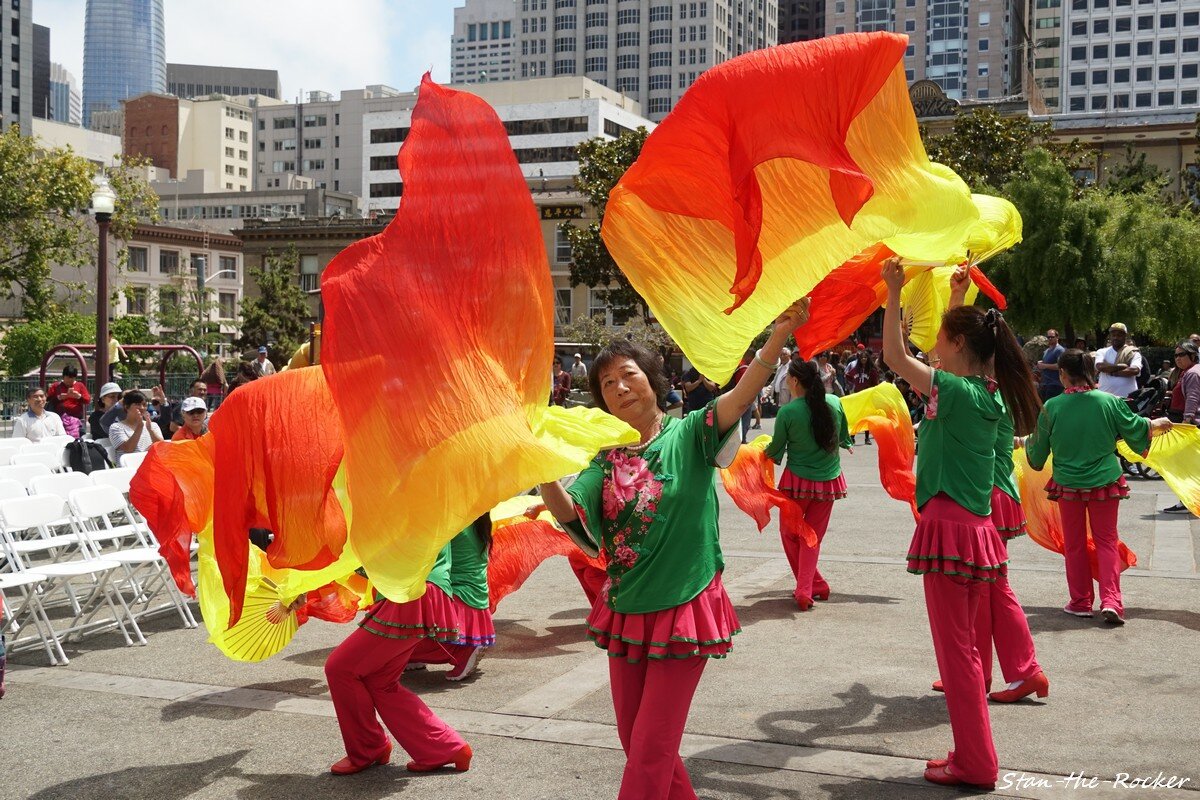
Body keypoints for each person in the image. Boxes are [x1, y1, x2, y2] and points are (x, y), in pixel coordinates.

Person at [537, 299, 808, 800]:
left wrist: (776, 337)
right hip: (628, 608)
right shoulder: (606, 458)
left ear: (652, 379)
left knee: (651, 748)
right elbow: (572, 515)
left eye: (627, 374)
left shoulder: (692, 434)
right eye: (607, 384)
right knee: (636, 742)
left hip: (685, 604)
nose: (619, 388)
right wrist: (539, 468)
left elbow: (743, 392)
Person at [881, 256, 1042, 791]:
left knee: (959, 660)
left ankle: (976, 763)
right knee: (966, 654)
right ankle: (971, 752)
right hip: (974, 532)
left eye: (943, 338)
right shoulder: (987, 393)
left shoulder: (950, 392)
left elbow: (894, 355)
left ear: (955, 346)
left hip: (950, 529)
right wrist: (955, 299)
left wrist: (893, 290)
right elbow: (944, 357)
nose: (936, 346)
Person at [929, 270, 1049, 705]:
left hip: (985, 495)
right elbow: (948, 350)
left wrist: (957, 300)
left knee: (992, 589)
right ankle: (977, 672)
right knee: (984, 588)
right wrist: (957, 296)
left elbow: (945, 357)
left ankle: (1021, 670)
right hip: (994, 491)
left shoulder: (975, 384)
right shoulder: (988, 377)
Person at [1025, 349, 1171, 624]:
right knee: (1106, 541)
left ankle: (1080, 601)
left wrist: (1024, 444)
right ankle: (1112, 601)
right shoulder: (1108, 402)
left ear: (1063, 374)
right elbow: (1135, 428)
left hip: (1068, 484)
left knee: (1075, 544)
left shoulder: (1052, 407)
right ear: (1091, 372)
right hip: (1104, 481)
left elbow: (1037, 454)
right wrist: (1156, 424)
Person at [324, 541, 472, 776]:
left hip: (410, 591)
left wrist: (300, 589)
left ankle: (367, 748)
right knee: (380, 681)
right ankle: (446, 747)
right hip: (414, 589)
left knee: (340, 668)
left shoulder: (408, 504)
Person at [764, 360, 851, 609]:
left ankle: (805, 589)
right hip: (828, 482)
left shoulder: (788, 412)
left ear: (793, 381)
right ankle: (815, 585)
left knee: (789, 534)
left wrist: (756, 452)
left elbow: (776, 449)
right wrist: (845, 443)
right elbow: (844, 435)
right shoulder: (834, 403)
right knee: (812, 538)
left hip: (796, 483)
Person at [408, 515, 495, 681]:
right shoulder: (477, 516)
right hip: (474, 604)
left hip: (456, 603)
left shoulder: (451, 520)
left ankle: (462, 652)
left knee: (389, 638)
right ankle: (414, 657)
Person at [1161, 342, 1199, 514]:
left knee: (1185, 465)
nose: (1177, 358)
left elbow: (1192, 397)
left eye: (1181, 354)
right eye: (1175, 355)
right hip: (1184, 421)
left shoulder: (1192, 373)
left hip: (1187, 423)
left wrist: (1187, 420)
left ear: (1192, 356)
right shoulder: (1188, 372)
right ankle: (1188, 500)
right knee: (1189, 465)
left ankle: (1188, 501)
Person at [107, 390, 164, 465]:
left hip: (150, 467)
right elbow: (128, 449)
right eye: (137, 404)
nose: (142, 408)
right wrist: (140, 427)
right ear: (127, 407)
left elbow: (162, 447)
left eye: (144, 404)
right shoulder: (116, 427)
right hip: (129, 469)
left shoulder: (153, 425)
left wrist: (150, 430)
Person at [1094, 323, 1142, 398]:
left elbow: (1134, 370)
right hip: (1105, 398)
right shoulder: (1102, 352)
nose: (1116, 337)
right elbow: (1100, 366)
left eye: (1119, 335)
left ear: (1125, 337)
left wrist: (1111, 372)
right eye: (1113, 335)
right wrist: (1122, 366)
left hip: (1127, 398)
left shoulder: (1132, 353)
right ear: (1110, 336)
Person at [846, 348, 880, 444]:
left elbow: (875, 382)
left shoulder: (872, 370)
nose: (864, 359)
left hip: (867, 395)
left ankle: (867, 438)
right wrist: (852, 383)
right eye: (862, 357)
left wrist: (872, 391)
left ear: (868, 359)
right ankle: (852, 437)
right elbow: (847, 375)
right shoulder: (856, 369)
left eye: (865, 357)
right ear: (859, 359)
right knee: (856, 416)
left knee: (866, 416)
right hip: (857, 394)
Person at [46, 365, 91, 439]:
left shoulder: (80, 385)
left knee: (80, 438)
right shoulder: (56, 386)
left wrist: (78, 396)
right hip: (60, 419)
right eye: (67, 378)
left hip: (77, 419)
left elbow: (87, 400)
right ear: (63, 377)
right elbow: (48, 399)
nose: (70, 380)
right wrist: (59, 397)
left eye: (72, 378)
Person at [1035, 329, 1065, 402]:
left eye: (1052, 337)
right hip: (1045, 384)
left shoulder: (1059, 350)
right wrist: (1041, 363)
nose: (1050, 339)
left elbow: (1060, 365)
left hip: (1055, 384)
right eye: (1048, 337)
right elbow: (1047, 362)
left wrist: (1044, 366)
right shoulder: (1047, 351)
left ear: (1057, 337)